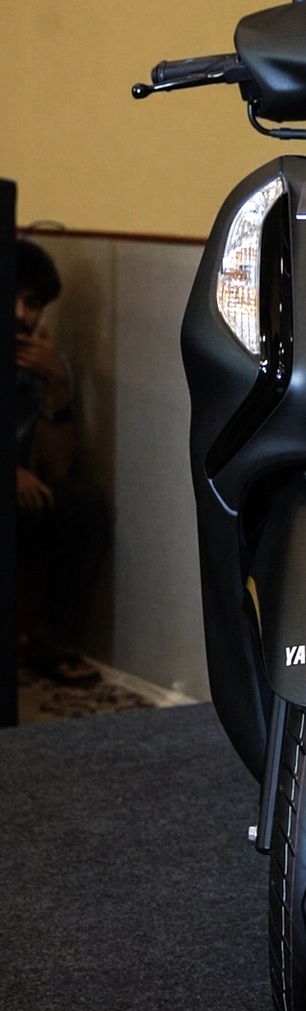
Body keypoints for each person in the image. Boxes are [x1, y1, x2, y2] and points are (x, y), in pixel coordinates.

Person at [15, 237, 109, 685]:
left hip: (24, 496)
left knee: (82, 504)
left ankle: (51, 642)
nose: (20, 314)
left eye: (31, 304)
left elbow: (57, 469)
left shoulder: (46, 362)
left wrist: (56, 389)